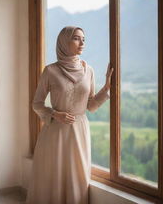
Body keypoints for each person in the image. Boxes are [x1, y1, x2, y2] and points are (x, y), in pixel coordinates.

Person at [25, 26, 114, 204]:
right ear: (64, 42)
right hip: (55, 131)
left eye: (83, 39)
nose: (82, 42)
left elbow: (91, 106)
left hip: (79, 130)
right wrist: (55, 114)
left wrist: (106, 90)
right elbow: (36, 103)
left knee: (77, 176)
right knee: (53, 174)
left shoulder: (88, 71)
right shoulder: (50, 71)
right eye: (76, 38)